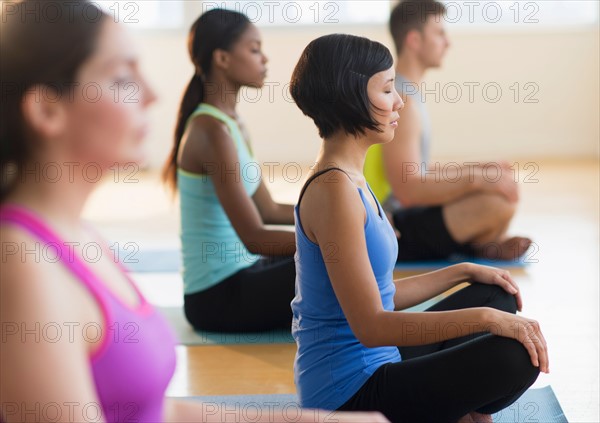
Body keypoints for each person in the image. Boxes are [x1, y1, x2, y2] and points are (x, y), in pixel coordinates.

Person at [0, 2, 386, 422]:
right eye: (121, 77)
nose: (151, 94)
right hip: (220, 296)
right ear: (46, 109)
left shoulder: (80, 237)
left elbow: (152, 412)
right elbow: (254, 234)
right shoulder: (24, 267)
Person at [290, 32, 548, 423]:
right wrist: (484, 319)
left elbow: (382, 295)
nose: (399, 101)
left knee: (495, 294)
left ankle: (458, 408)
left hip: (382, 360)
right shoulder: (333, 190)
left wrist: (462, 272)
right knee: (512, 353)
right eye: (388, 89)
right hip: (350, 393)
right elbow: (372, 326)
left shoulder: (350, 177)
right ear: (351, 97)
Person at [363, 0, 532, 262]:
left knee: (496, 180)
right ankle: (480, 245)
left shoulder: (406, 92)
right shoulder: (402, 100)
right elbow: (408, 190)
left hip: (404, 212)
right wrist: (476, 179)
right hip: (392, 227)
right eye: (440, 33)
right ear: (414, 40)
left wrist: (479, 168)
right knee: (497, 203)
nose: (448, 42)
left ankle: (481, 245)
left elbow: (417, 171)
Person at [162, 8, 297, 333]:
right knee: (335, 262)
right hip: (216, 298)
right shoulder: (211, 131)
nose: (264, 59)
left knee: (337, 258)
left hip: (245, 273)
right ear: (222, 58)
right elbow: (255, 238)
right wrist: (341, 240)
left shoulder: (230, 124)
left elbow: (269, 209)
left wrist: (345, 218)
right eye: (254, 49)